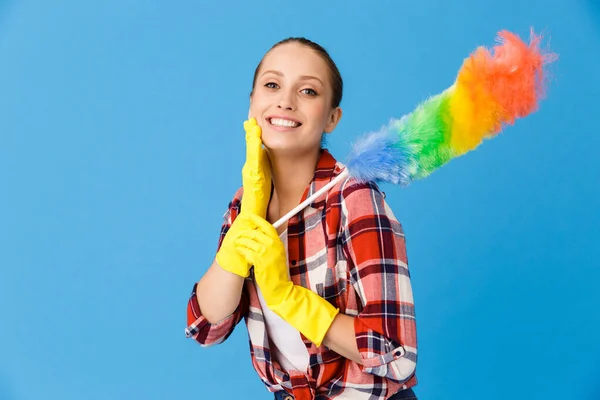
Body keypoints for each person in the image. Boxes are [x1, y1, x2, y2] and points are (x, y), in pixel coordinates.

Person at [185, 37, 418, 400]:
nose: (285, 100)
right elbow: (206, 328)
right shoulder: (246, 203)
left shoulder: (355, 198)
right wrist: (236, 246)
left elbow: (395, 355)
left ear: (332, 117)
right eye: (272, 85)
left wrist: (290, 299)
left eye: (308, 90)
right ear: (252, 103)